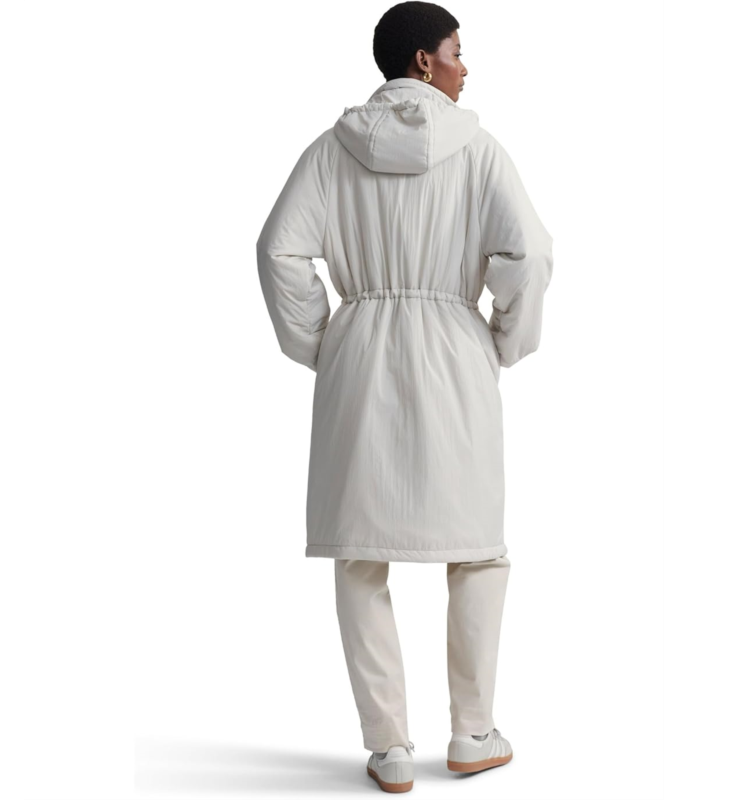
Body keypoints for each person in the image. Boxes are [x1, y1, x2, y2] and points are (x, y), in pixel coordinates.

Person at [256, 1, 553, 793]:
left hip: (358, 354)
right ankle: (473, 733)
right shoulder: (479, 149)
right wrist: (504, 340)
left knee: (360, 553)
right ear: (424, 60)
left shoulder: (331, 150)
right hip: (455, 350)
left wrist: (321, 343)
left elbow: (279, 249)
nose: (465, 66)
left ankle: (388, 748)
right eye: (457, 50)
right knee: (478, 549)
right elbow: (529, 252)